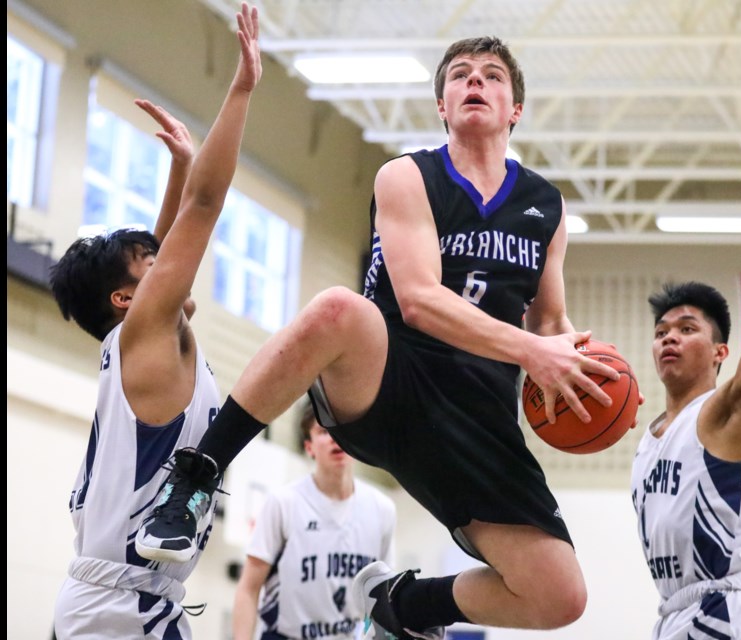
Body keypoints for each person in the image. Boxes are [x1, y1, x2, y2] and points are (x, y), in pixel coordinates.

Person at [136, 35, 623, 639]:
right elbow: (418, 301)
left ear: (515, 108)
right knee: (341, 308)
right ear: (442, 104)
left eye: (493, 76)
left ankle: (407, 605)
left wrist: (580, 362)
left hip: (480, 411)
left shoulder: (544, 205)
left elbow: (548, 320)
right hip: (393, 377)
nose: (476, 82)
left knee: (559, 595)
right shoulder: (406, 175)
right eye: (461, 75)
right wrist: (533, 349)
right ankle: (197, 476)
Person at [49, 4, 261, 638]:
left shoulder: (143, 339)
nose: (170, 267)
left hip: (130, 600)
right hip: (116, 608)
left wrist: (177, 166)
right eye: (150, 264)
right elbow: (204, 205)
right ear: (124, 300)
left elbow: (169, 239)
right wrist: (243, 87)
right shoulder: (141, 334)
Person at [630, 129, 741, 639]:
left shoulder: (721, 414)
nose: (669, 338)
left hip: (720, 610)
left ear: (720, 352)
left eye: (687, 329)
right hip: (674, 613)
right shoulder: (645, 439)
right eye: (661, 332)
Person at [232, 401, 397, 640]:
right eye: (323, 431)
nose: (334, 438)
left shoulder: (382, 509)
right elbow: (248, 587)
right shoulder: (283, 503)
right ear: (309, 447)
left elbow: (384, 594)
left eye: (340, 430)